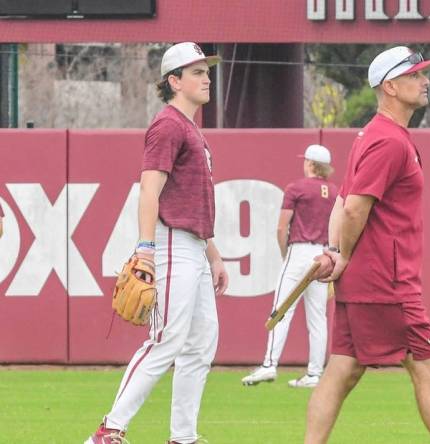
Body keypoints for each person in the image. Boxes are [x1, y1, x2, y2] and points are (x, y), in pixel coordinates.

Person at [305, 46, 430, 444]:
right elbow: (354, 208)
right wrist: (342, 254)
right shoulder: (388, 142)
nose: (425, 81)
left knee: (343, 368)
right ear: (390, 86)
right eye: (415, 76)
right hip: (387, 282)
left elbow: (343, 201)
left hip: (370, 279)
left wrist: (337, 253)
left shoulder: (372, 135)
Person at [85, 42, 228, 444]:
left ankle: (183, 437)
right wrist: (146, 248)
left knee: (200, 346)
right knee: (165, 341)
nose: (207, 78)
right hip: (170, 243)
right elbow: (149, 190)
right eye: (197, 72)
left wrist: (213, 255)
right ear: (174, 80)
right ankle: (109, 430)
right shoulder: (168, 124)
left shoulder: (190, 128)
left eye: (207, 70)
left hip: (194, 246)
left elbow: (194, 202)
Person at [241, 144, 338, 389]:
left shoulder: (297, 188)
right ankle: (315, 373)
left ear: (311, 164)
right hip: (324, 254)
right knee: (318, 317)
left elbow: (281, 227)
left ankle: (269, 365)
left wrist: (286, 254)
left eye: (306, 160)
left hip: (299, 251)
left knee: (281, 309)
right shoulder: (336, 192)